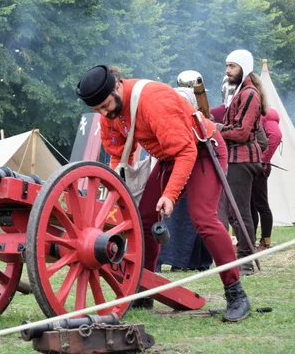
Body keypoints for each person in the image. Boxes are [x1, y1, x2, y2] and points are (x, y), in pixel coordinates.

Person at [76, 65, 250, 322]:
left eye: (105, 106)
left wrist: (169, 194)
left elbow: (186, 151)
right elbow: (117, 154)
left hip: (202, 150)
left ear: (116, 86)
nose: (104, 114)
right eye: (98, 110)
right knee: (144, 219)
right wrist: (117, 191)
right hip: (168, 158)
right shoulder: (110, 111)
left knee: (203, 218)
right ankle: (143, 288)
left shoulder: (153, 101)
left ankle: (236, 294)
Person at [218, 50, 268, 276]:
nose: (228, 70)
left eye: (232, 66)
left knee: (239, 212)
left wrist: (217, 129)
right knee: (232, 212)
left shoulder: (249, 94)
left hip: (243, 157)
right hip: (235, 157)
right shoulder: (240, 92)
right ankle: (243, 257)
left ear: (244, 68)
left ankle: (246, 261)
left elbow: (241, 131)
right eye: (227, 66)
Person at [157, 70, 212, 273]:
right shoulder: (178, 103)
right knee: (180, 215)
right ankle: (180, 260)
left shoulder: (191, 105)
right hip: (180, 164)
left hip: (187, 163)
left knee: (190, 216)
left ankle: (190, 261)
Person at [251, 107, 282, 250]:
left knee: (261, 204)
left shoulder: (266, 113)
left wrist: (263, 160)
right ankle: (250, 240)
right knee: (250, 205)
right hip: (249, 165)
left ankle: (265, 241)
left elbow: (275, 136)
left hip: (259, 166)